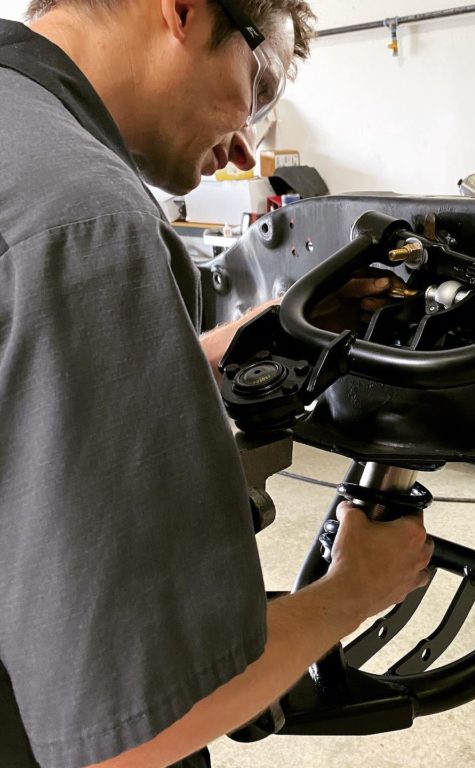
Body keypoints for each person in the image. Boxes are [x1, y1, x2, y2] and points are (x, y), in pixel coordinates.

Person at [0, 2, 433, 767]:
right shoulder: (86, 217)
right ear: (182, 10)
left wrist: (213, 348)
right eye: (258, 85)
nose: (244, 148)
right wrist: (351, 590)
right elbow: (130, 740)